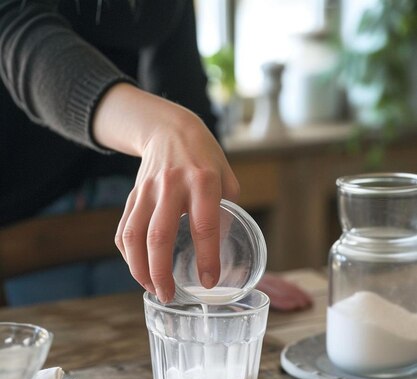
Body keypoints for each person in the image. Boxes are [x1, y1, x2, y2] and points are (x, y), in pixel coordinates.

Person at [0, 0, 311, 310]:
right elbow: (18, 33)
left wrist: (223, 258)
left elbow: (181, 83)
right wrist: (161, 127)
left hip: (131, 209)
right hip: (20, 213)